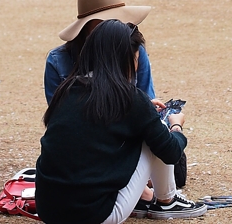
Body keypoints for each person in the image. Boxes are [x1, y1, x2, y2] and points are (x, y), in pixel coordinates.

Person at [36, 19, 206, 223]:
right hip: (98, 216)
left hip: (48, 211)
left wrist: (143, 109)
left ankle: (156, 200)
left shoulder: (68, 89)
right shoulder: (130, 97)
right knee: (158, 126)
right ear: (127, 58)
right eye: (136, 58)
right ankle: (167, 202)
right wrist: (176, 126)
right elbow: (170, 152)